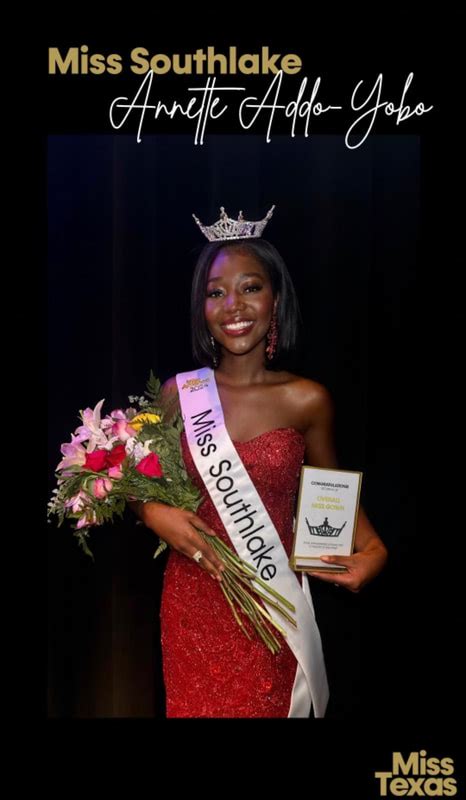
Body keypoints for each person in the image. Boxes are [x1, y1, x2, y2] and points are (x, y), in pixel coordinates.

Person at [134, 206, 387, 718]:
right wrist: (150, 513)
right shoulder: (177, 395)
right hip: (192, 611)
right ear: (202, 308)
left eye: (250, 287)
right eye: (215, 291)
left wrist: (376, 552)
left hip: (272, 614)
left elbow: (331, 500)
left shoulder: (307, 400)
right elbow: (143, 487)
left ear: (275, 300)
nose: (233, 305)